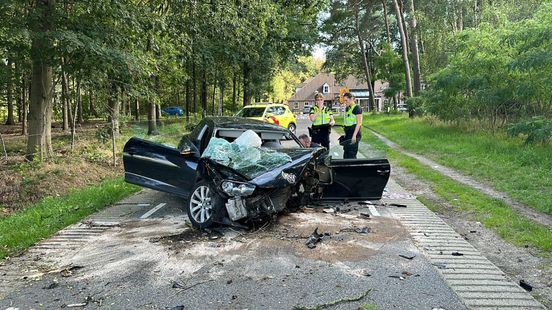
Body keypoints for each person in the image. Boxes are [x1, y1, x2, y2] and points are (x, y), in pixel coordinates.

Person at [342, 92, 362, 159]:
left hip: (354, 133)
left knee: (351, 154)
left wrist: (354, 136)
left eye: (346, 100)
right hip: (348, 133)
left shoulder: (357, 108)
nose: (345, 102)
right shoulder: (348, 108)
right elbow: (347, 123)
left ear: (351, 99)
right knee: (346, 153)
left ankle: (353, 169)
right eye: (344, 100)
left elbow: (359, 123)